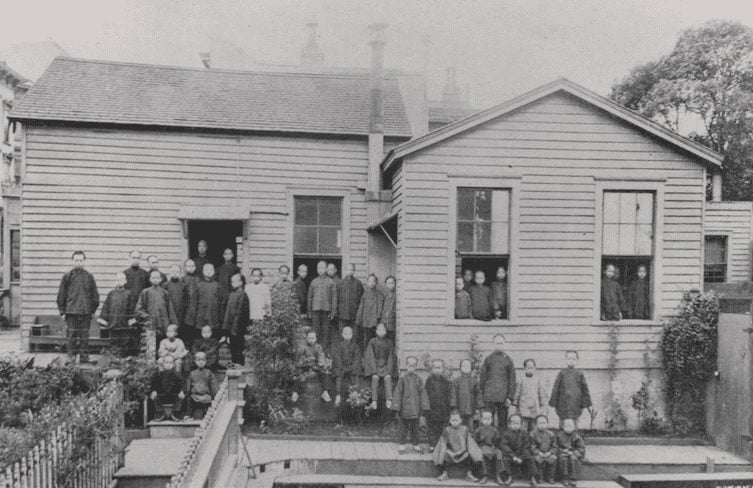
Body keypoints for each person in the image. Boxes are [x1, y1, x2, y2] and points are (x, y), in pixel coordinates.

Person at [57, 251, 100, 364]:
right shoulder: (67, 276)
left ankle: (84, 358)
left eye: (81, 260)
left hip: (86, 312)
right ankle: (71, 358)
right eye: (76, 260)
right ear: (72, 261)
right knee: (72, 336)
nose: (79, 262)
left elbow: (95, 296)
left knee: (84, 336)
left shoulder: (89, 276)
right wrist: (62, 312)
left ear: (84, 261)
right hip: (71, 312)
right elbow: (61, 295)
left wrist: (92, 310)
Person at [390, 356, 429, 454]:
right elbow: (398, 393)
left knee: (415, 429)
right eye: (409, 365)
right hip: (405, 409)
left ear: (416, 367)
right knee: (403, 428)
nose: (411, 367)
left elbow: (422, 393)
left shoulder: (418, 379)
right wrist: (396, 407)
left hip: (416, 409)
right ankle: (402, 445)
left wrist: (424, 406)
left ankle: (416, 445)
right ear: (406, 366)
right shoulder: (402, 379)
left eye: (413, 366)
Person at [136, 270, 178, 359]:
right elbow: (139, 309)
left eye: (157, 278)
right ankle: (151, 367)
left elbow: (170, 309)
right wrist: (147, 318)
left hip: (164, 324)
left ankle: (163, 366)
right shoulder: (145, 292)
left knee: (163, 347)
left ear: (160, 279)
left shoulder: (164, 292)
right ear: (150, 279)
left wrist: (173, 323)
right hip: (151, 324)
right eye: (153, 277)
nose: (155, 279)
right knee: (151, 349)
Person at [433, 409, 483, 482]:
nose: (455, 422)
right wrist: (444, 452)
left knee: (470, 454)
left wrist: (475, 454)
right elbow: (443, 443)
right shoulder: (447, 430)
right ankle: (444, 473)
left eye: (457, 420)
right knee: (444, 453)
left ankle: (469, 473)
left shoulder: (464, 429)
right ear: (450, 421)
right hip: (451, 452)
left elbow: (470, 442)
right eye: (453, 420)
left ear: (460, 420)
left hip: (462, 452)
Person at [479, 334, 516, 429]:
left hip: (503, 397)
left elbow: (512, 379)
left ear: (504, 344)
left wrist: (510, 397)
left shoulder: (508, 360)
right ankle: (488, 442)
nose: (499, 345)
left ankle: (502, 442)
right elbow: (482, 378)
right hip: (489, 396)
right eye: (497, 343)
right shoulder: (488, 359)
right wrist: (482, 394)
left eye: (501, 343)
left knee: (503, 422)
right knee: (488, 421)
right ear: (493, 344)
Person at [550, 350, 592, 429]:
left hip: (575, 404)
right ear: (566, 360)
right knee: (563, 424)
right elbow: (556, 388)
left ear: (577, 360)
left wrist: (585, 404)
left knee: (574, 423)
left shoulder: (579, 374)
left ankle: (574, 439)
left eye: (573, 359)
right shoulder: (562, 373)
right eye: (569, 359)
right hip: (562, 404)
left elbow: (585, 389)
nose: (571, 361)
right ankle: (561, 439)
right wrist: (554, 403)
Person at [98, 271, 137, 357]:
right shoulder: (111, 294)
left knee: (125, 342)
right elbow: (106, 307)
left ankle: (123, 361)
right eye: (118, 280)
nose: (120, 281)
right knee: (114, 342)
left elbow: (131, 308)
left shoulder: (129, 293)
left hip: (124, 324)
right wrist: (104, 320)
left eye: (121, 279)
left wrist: (131, 320)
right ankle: (114, 360)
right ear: (115, 281)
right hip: (113, 323)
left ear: (125, 281)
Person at [363, 322, 397, 411]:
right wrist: (373, 370)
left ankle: (389, 399)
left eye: (383, 330)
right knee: (375, 377)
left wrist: (389, 370)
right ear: (376, 331)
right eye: (379, 330)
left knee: (387, 378)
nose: (381, 332)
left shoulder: (389, 342)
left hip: (385, 365)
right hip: (376, 366)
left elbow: (391, 357)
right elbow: (370, 357)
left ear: (386, 331)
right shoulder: (372, 341)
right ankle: (374, 400)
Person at [500, 414, 536, 487]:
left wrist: (521, 457)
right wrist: (513, 456)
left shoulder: (524, 434)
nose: (516, 425)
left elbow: (526, 446)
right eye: (513, 423)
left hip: (522, 454)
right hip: (511, 454)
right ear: (509, 424)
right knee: (506, 458)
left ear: (521, 424)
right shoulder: (506, 434)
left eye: (518, 423)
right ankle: (509, 477)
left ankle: (532, 477)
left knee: (530, 457)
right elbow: (505, 446)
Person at [307, 261, 337, 350]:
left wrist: (333, 312)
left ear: (326, 269)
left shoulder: (331, 282)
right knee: (316, 330)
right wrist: (309, 311)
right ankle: (315, 350)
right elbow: (310, 297)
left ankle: (324, 350)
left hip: (326, 310)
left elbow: (334, 298)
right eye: (318, 268)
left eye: (322, 268)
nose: (320, 270)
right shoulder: (314, 282)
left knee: (326, 330)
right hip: (315, 310)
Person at [513, 359, 548, 432]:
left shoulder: (537, 380)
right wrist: (515, 403)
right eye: (528, 368)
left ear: (535, 368)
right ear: (525, 369)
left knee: (534, 428)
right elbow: (517, 393)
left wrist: (543, 405)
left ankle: (533, 442)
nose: (530, 370)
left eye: (532, 368)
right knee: (523, 428)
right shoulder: (521, 380)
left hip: (534, 408)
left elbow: (541, 393)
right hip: (523, 408)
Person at [296, 330, 331, 402]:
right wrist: (305, 360)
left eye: (313, 338)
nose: (311, 340)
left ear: (315, 339)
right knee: (298, 374)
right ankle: (295, 392)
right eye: (309, 338)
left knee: (325, 373)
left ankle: (325, 392)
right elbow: (300, 358)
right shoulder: (304, 347)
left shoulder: (318, 347)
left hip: (316, 366)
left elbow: (321, 356)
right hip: (306, 366)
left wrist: (321, 364)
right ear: (306, 338)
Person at [331, 326, 362, 408]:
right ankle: (338, 395)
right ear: (342, 335)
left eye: (349, 334)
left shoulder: (355, 346)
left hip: (352, 367)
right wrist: (342, 367)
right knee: (338, 375)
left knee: (355, 375)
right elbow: (337, 358)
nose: (347, 335)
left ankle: (356, 396)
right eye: (345, 334)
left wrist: (352, 367)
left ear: (352, 335)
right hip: (342, 367)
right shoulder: (339, 346)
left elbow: (357, 358)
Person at [223, 273, 250, 366]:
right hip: (231, 328)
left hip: (238, 329)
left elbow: (239, 313)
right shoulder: (231, 294)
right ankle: (234, 366)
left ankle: (239, 367)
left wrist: (234, 330)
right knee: (233, 349)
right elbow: (228, 312)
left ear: (241, 283)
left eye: (236, 281)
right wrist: (226, 328)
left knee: (238, 348)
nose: (233, 283)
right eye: (232, 281)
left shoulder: (242, 295)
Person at [425, 359, 452, 450]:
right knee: (431, 428)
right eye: (435, 368)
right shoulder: (428, 381)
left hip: (442, 410)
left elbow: (448, 397)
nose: (437, 370)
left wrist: (448, 410)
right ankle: (432, 445)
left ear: (443, 369)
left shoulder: (446, 382)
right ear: (432, 369)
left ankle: (440, 445)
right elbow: (425, 395)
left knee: (441, 428)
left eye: (439, 368)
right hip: (431, 410)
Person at [149, 354, 185, 421]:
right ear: (163, 364)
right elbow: (153, 384)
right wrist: (153, 391)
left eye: (170, 363)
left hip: (174, 396)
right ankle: (161, 413)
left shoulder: (177, 374)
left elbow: (182, 384)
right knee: (153, 396)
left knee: (182, 397)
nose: (168, 364)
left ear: (173, 364)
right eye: (166, 363)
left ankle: (174, 413)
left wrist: (181, 391)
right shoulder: (159, 374)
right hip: (162, 396)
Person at [185, 351, 219, 419]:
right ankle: (189, 415)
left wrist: (215, 397)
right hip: (194, 396)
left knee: (209, 403)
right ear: (195, 361)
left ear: (206, 361)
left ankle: (208, 414)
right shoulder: (192, 373)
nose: (201, 362)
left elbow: (214, 386)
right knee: (188, 400)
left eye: (203, 360)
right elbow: (188, 385)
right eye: (198, 360)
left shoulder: (209, 373)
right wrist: (187, 392)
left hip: (206, 395)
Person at [196, 263, 226, 339]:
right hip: (201, 316)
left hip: (214, 317)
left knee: (214, 338)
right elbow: (194, 303)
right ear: (202, 272)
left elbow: (222, 302)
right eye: (206, 270)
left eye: (210, 270)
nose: (208, 272)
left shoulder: (218, 285)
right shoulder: (198, 285)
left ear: (214, 271)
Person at [474, 409, 503, 485]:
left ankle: (498, 475)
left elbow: (497, 441)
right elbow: (475, 442)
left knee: (498, 453)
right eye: (484, 419)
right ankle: (485, 475)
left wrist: (495, 447)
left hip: (492, 447)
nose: (486, 421)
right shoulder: (478, 430)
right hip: (482, 447)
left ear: (491, 420)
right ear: (481, 420)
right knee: (481, 454)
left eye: (488, 419)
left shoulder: (494, 430)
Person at [451, 358, 481, 430]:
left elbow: (478, 394)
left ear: (471, 368)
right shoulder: (457, 381)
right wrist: (454, 406)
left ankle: (469, 439)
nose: (466, 368)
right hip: (460, 407)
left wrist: (478, 407)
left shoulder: (474, 381)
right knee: (459, 426)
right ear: (460, 368)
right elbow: (453, 394)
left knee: (470, 426)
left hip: (471, 407)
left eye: (468, 366)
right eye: (464, 366)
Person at [356, 274, 384, 349]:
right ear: (367, 282)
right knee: (366, 338)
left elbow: (380, 308)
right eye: (370, 281)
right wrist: (359, 319)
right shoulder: (365, 294)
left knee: (374, 338)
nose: (372, 283)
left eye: (373, 281)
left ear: (376, 282)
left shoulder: (379, 295)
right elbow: (361, 307)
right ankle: (367, 354)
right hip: (366, 320)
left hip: (374, 321)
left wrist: (378, 318)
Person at [556, 418, 586, 487]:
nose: (568, 428)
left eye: (570, 426)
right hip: (562, 453)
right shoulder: (559, 436)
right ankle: (564, 477)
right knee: (563, 459)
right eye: (566, 426)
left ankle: (573, 478)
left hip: (573, 453)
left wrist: (572, 452)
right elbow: (555, 446)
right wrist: (562, 451)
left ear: (574, 427)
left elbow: (581, 448)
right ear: (563, 427)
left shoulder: (577, 436)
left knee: (573, 459)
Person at [336, 263, 364, 337]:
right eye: (348, 269)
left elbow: (362, 298)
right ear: (345, 270)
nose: (350, 271)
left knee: (354, 334)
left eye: (352, 269)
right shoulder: (340, 283)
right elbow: (337, 298)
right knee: (342, 333)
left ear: (354, 271)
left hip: (354, 313)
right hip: (342, 313)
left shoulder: (358, 283)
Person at [530, 415, 557, 485]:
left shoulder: (551, 434)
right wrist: (538, 452)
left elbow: (554, 446)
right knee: (537, 459)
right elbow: (532, 446)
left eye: (544, 423)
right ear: (536, 424)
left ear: (547, 424)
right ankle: (540, 477)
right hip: (538, 454)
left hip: (548, 453)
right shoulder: (532, 434)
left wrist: (550, 452)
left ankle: (550, 477)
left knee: (553, 458)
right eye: (540, 423)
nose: (542, 425)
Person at [181, 259, 200, 346]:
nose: (191, 268)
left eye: (192, 266)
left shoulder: (198, 280)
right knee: (185, 333)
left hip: (196, 309)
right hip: (185, 311)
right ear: (185, 268)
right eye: (189, 266)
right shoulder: (182, 280)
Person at [165, 265, 187, 331]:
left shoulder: (183, 285)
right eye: (173, 271)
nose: (175, 273)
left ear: (180, 273)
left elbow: (186, 300)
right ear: (169, 273)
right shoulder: (165, 285)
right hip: (169, 311)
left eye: (177, 272)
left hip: (180, 311)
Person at [382, 276, 397, 342]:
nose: (391, 285)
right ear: (386, 285)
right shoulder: (385, 295)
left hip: (393, 322)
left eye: (392, 283)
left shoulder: (397, 295)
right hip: (384, 321)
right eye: (389, 283)